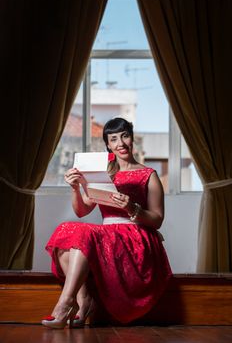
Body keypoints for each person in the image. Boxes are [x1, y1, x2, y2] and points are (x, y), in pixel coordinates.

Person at [42, 117, 172, 329]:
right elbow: (82, 211)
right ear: (108, 145)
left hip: (135, 236)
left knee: (83, 235)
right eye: (114, 139)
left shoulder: (149, 174)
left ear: (132, 139)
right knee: (65, 232)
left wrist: (133, 209)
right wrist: (75, 188)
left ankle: (65, 304)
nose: (120, 143)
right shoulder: (104, 174)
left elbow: (157, 219)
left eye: (125, 136)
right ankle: (84, 302)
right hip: (108, 233)